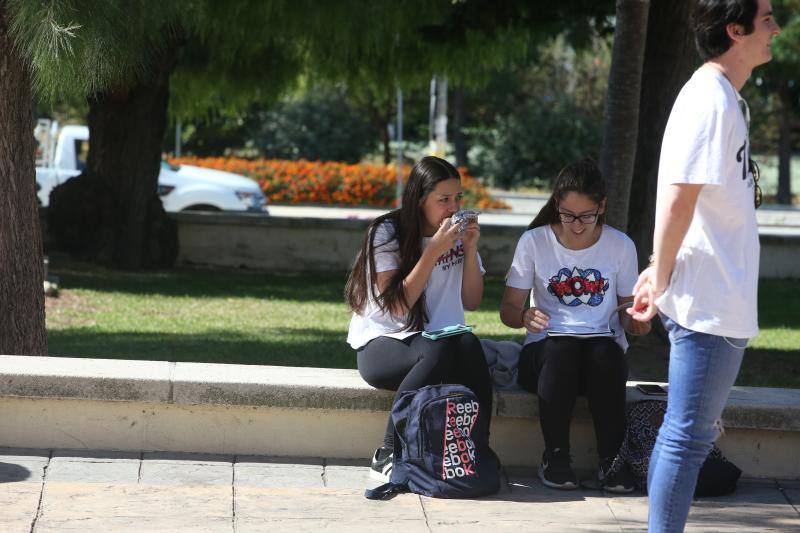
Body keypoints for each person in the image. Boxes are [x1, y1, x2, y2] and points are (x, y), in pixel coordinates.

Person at [626, 1, 781, 530]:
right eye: (766, 20)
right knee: (686, 434)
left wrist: (657, 268)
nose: (776, 29)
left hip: (718, 295)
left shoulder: (726, 99)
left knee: (690, 432)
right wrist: (661, 274)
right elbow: (677, 200)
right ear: (734, 31)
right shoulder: (708, 100)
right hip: (707, 300)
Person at [499, 158, 650, 492]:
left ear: (602, 207)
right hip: (547, 361)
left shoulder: (620, 245)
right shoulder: (535, 242)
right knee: (562, 348)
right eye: (568, 216)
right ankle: (556, 457)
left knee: (604, 351)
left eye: (587, 216)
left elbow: (626, 313)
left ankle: (612, 461)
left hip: (600, 365)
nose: (577, 225)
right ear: (557, 206)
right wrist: (524, 316)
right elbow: (508, 309)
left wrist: (636, 321)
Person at [345, 156, 493, 482]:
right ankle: (387, 452)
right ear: (419, 199)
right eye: (443, 200)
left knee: (468, 343)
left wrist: (469, 249)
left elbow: (472, 301)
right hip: (384, 348)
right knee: (437, 348)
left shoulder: (457, 234)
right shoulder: (386, 233)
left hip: (440, 347)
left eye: (457, 199)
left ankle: (478, 449)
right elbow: (398, 307)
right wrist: (433, 250)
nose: (453, 208)